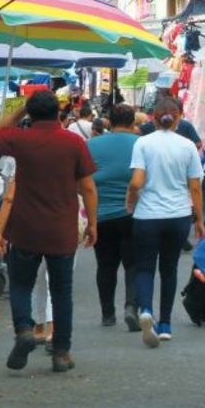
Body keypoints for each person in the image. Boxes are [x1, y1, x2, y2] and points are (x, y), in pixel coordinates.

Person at [0, 90, 98, 373]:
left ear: (31, 114)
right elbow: (88, 187)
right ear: (58, 113)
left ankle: (24, 329)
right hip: (61, 229)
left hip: (25, 227)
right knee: (62, 292)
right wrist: (92, 223)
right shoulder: (74, 142)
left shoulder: (21, 139)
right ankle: (61, 353)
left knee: (21, 285)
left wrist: (22, 110)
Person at [126, 96, 204, 347]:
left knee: (145, 268)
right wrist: (199, 219)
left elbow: (136, 181)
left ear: (153, 118)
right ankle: (166, 325)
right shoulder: (187, 146)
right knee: (169, 269)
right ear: (178, 118)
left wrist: (131, 197)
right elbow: (195, 187)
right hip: (178, 216)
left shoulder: (143, 143)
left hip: (147, 216)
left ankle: (146, 310)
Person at [86, 103, 142, 330]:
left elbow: (84, 181)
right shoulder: (141, 143)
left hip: (101, 215)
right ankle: (131, 307)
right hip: (134, 213)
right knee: (133, 264)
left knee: (105, 265)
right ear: (133, 122)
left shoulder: (92, 145)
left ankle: (107, 313)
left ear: (109, 122)